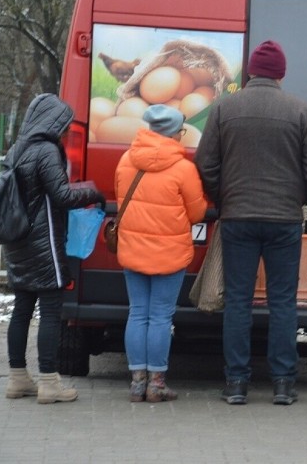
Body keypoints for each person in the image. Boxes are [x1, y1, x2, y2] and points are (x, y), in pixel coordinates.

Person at [195, 40, 307, 406]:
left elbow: (205, 161)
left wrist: (222, 197)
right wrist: (297, 196)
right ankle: (283, 384)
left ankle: (236, 383)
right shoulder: (300, 110)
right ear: (282, 74)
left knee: (238, 301)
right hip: (284, 220)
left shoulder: (224, 107)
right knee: (283, 302)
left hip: (237, 217)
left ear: (252, 71)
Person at [3, 93, 106, 403]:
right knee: (50, 312)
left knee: (21, 311)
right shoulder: (46, 151)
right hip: (43, 242)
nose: (64, 129)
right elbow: (61, 195)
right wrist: (92, 190)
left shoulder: (16, 149)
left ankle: (17, 378)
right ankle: (49, 381)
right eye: (62, 122)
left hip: (17, 240)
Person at [114, 105, 208, 402]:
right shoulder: (183, 168)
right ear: (173, 133)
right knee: (160, 317)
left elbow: (119, 199)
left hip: (132, 249)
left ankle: (137, 383)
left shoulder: (126, 160)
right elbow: (196, 213)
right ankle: (156, 385)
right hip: (170, 253)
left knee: (138, 313)